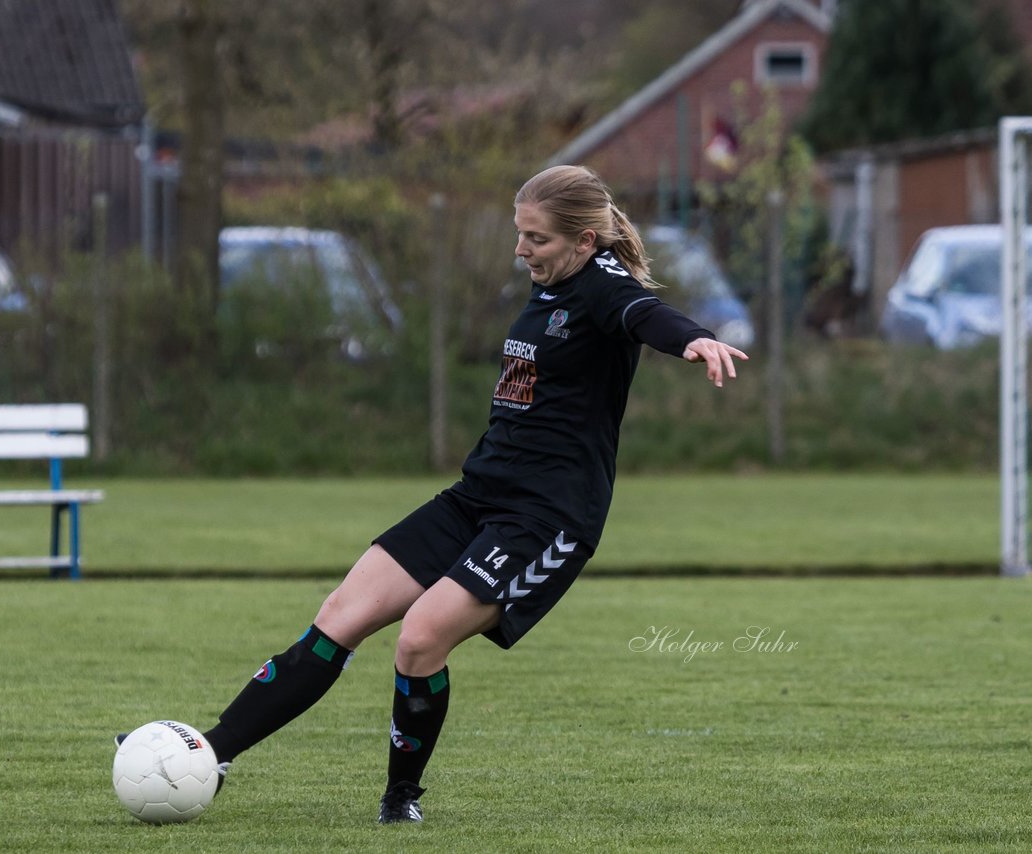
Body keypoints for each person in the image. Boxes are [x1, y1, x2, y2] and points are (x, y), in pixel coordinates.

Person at [125, 164, 748, 823]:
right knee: (340, 615)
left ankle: (401, 800)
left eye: (534, 238)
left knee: (420, 640)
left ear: (585, 241)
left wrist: (695, 340)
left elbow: (645, 314)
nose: (520, 249)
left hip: (546, 519)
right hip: (477, 496)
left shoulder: (602, 288)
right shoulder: (549, 284)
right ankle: (210, 756)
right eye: (519, 233)